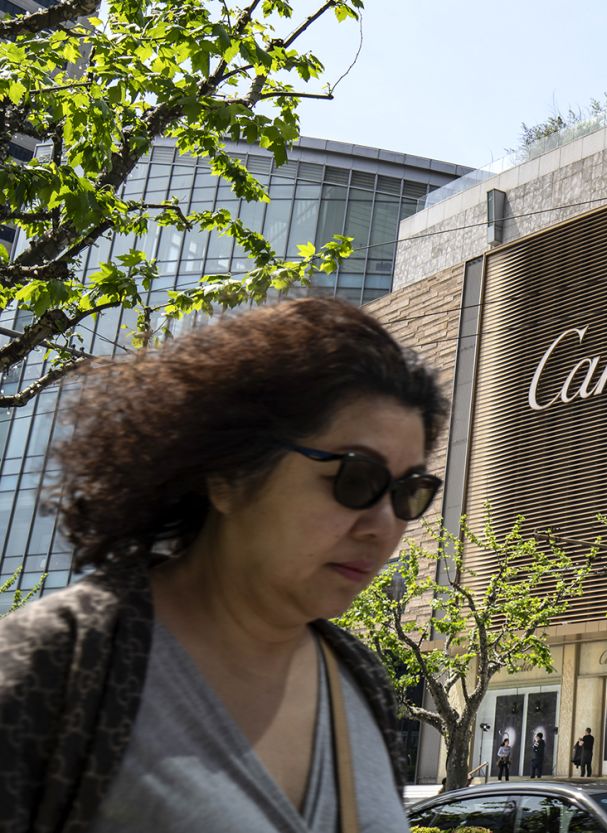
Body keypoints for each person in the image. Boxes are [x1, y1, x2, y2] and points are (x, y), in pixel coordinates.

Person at [0, 298, 448, 833]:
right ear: (230, 476)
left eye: (409, 492)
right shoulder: (59, 663)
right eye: (355, 478)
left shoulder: (362, 680)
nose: (383, 525)